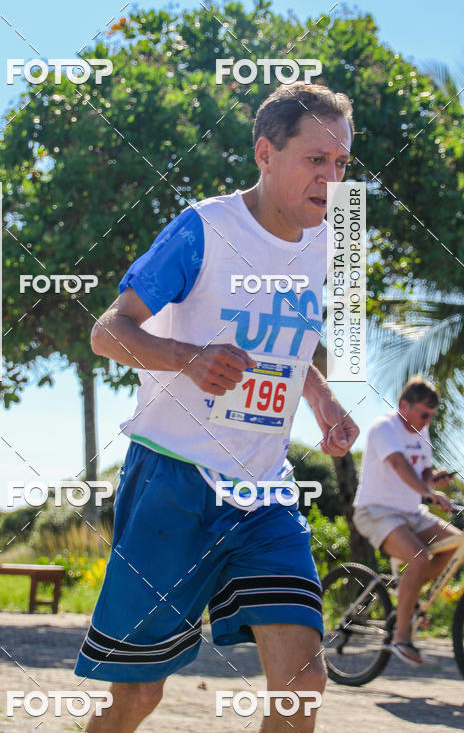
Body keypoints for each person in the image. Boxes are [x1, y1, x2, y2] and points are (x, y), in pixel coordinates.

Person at [76, 83, 360, 732]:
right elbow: (107, 331)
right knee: (139, 696)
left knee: (302, 680)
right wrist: (188, 357)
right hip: (172, 482)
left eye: (342, 163)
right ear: (265, 151)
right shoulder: (203, 229)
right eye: (317, 159)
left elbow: (289, 343)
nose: (332, 177)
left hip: (263, 491)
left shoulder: (324, 246)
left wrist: (320, 398)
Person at [353, 376, 458, 666]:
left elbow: (423, 472)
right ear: (404, 405)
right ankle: (401, 637)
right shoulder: (385, 428)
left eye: (431, 417)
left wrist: (434, 481)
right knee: (420, 559)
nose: (426, 421)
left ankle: (408, 598)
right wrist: (427, 491)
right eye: (423, 414)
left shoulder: (421, 434)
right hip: (376, 512)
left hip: (410, 513)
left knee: (454, 543)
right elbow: (399, 464)